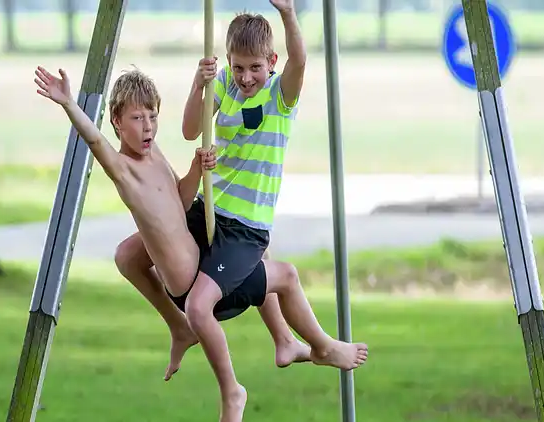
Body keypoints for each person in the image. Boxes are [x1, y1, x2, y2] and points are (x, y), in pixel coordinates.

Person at [118, 2, 369, 421]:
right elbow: (188, 130)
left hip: (244, 228)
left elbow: (301, 60)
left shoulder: (279, 96)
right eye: (238, 68)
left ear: (271, 62)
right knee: (129, 255)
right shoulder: (226, 88)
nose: (246, 77)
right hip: (211, 208)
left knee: (200, 305)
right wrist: (200, 85)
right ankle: (188, 329)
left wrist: (289, 14)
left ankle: (235, 392)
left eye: (254, 67)